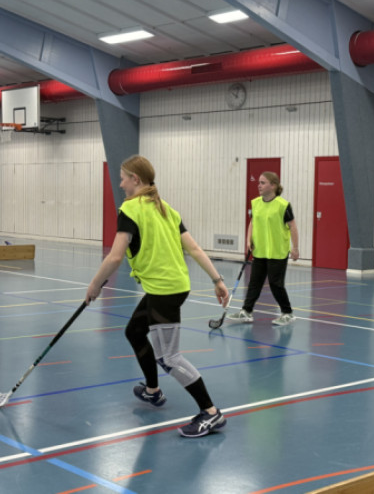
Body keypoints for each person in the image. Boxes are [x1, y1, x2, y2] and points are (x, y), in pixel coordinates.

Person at [86, 155, 229, 438]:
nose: (121, 184)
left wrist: (95, 285)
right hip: (170, 286)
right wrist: (217, 280)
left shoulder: (130, 209)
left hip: (165, 290)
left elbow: (115, 257)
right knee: (135, 331)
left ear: (135, 179)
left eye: (123, 178)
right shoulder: (167, 209)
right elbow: (194, 248)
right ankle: (152, 390)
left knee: (170, 357)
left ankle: (211, 412)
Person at [227, 171, 299, 326]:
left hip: (277, 252)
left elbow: (292, 226)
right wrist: (248, 240)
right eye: (259, 182)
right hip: (260, 251)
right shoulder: (256, 203)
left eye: (262, 182)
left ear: (273, 186)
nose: (258, 185)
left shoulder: (283, 205)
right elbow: (253, 222)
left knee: (276, 284)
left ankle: (287, 313)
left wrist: (295, 248)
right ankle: (246, 311)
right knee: (254, 283)